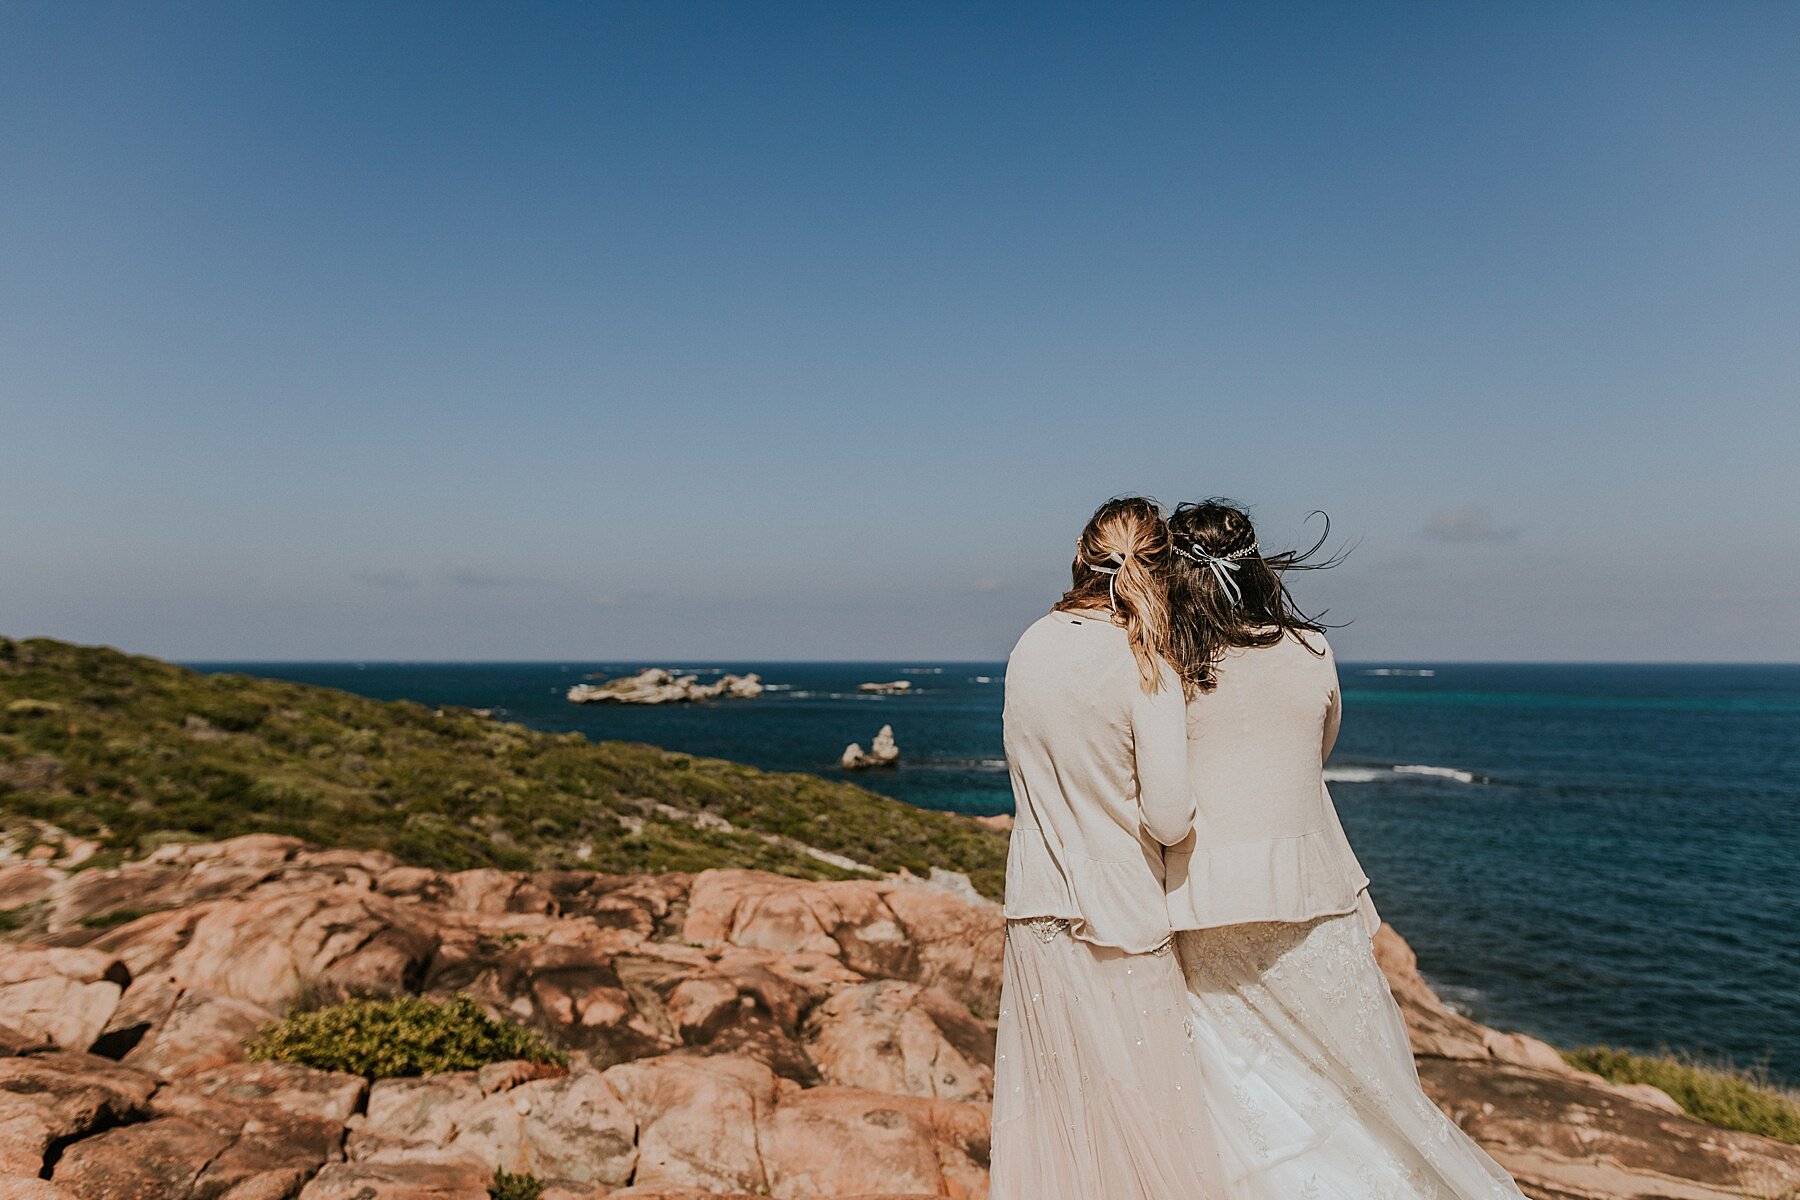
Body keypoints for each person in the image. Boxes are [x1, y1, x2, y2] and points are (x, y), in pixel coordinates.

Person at [1162, 498, 1527, 1199]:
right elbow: (1318, 750)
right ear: (1258, 566)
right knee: (1361, 1090)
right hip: (1314, 888)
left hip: (1206, 901)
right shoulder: (1310, 648)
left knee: (1247, 1088)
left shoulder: (1168, 662)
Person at [989, 496, 1221, 1200]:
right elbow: (1171, 817)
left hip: (1036, 910)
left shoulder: (1029, 643)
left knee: (1053, 1118)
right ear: (1163, 570)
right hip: (1119, 916)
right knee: (1152, 1119)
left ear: (1081, 557)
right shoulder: (1143, 659)